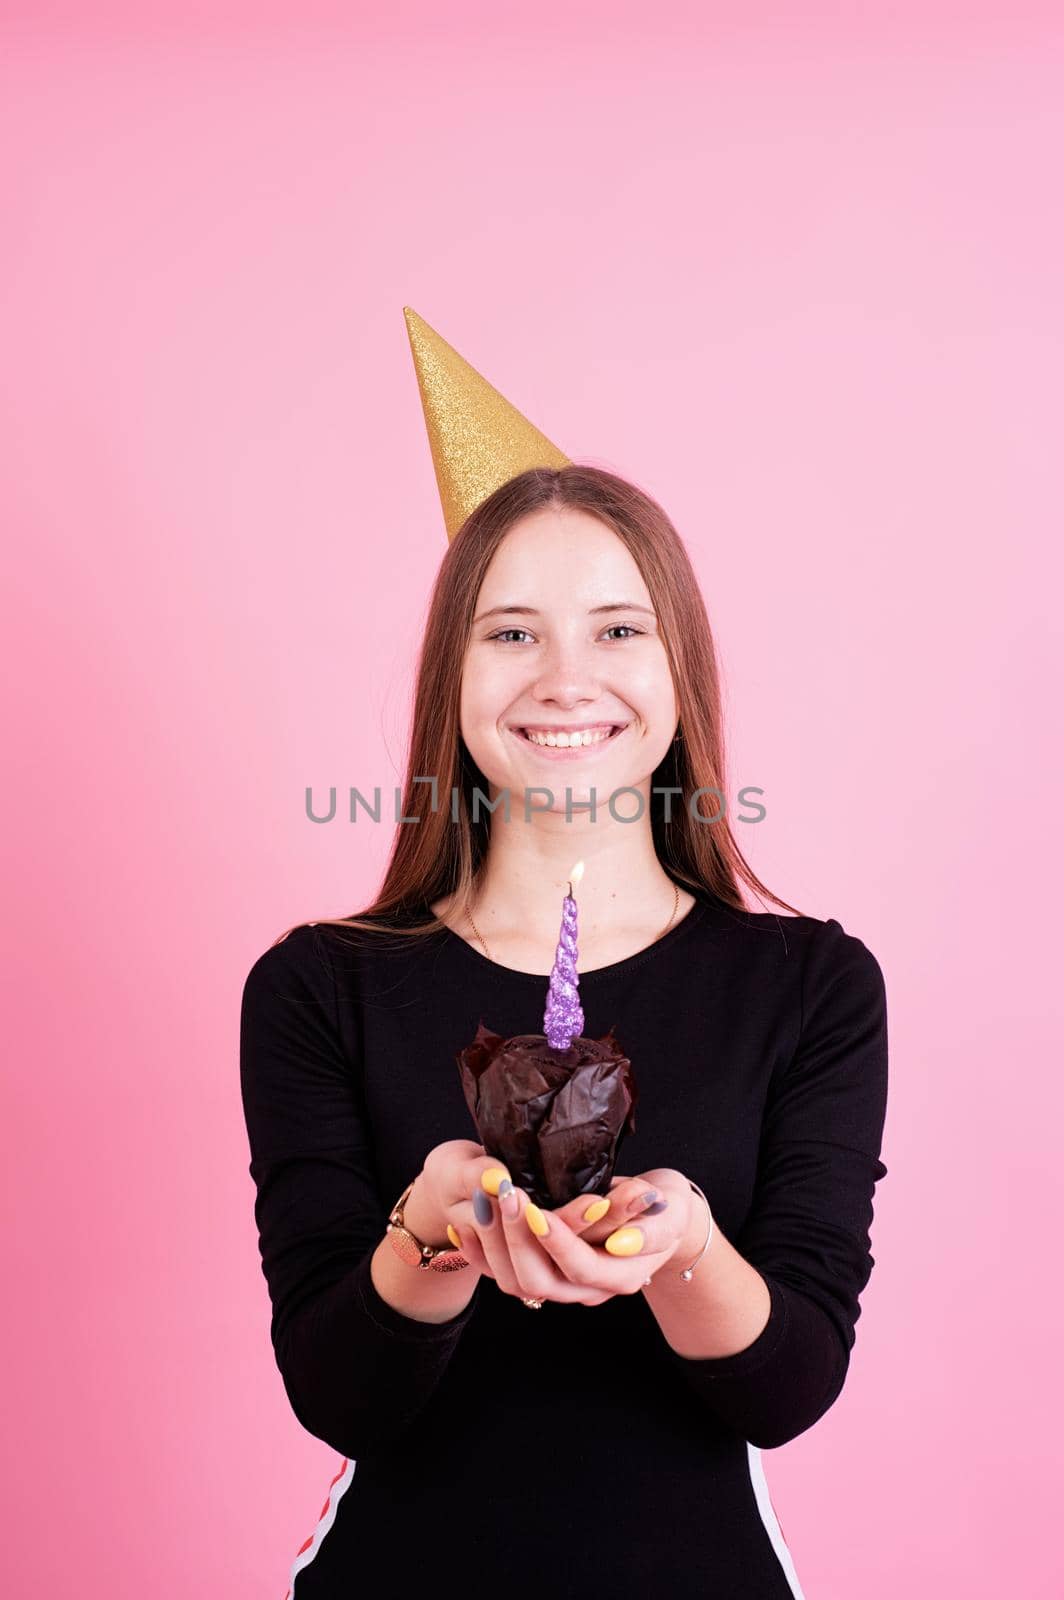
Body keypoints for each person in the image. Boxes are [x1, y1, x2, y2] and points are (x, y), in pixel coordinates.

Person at [239, 313, 888, 1599]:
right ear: (453, 674)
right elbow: (337, 1392)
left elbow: (788, 1384)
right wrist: (431, 1231)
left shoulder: (809, 987)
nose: (564, 677)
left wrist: (680, 1244)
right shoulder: (320, 986)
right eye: (511, 630)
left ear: (677, 667)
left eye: (616, 629)